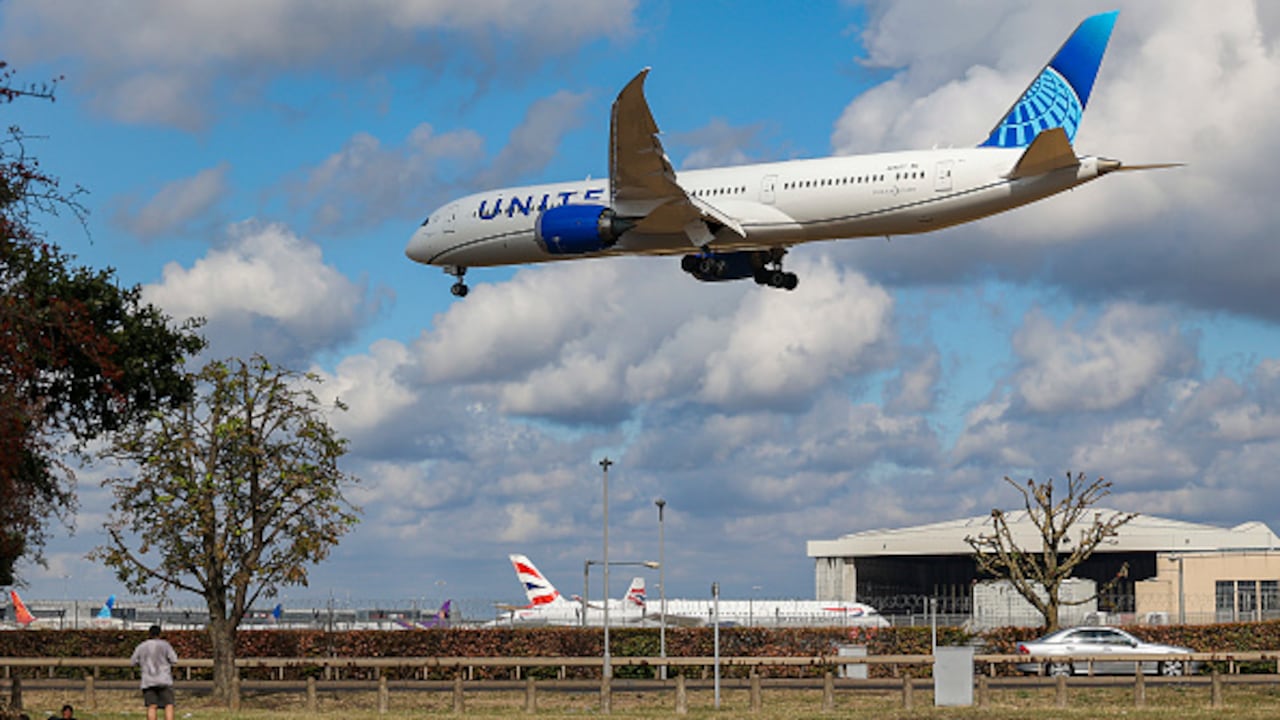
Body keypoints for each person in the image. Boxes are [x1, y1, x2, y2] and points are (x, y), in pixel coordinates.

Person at [130, 624, 177, 720]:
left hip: (148, 680)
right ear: (160, 633)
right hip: (164, 679)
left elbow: (133, 661)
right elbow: (174, 660)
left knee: (152, 706)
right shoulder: (165, 645)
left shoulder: (141, 646)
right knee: (169, 705)